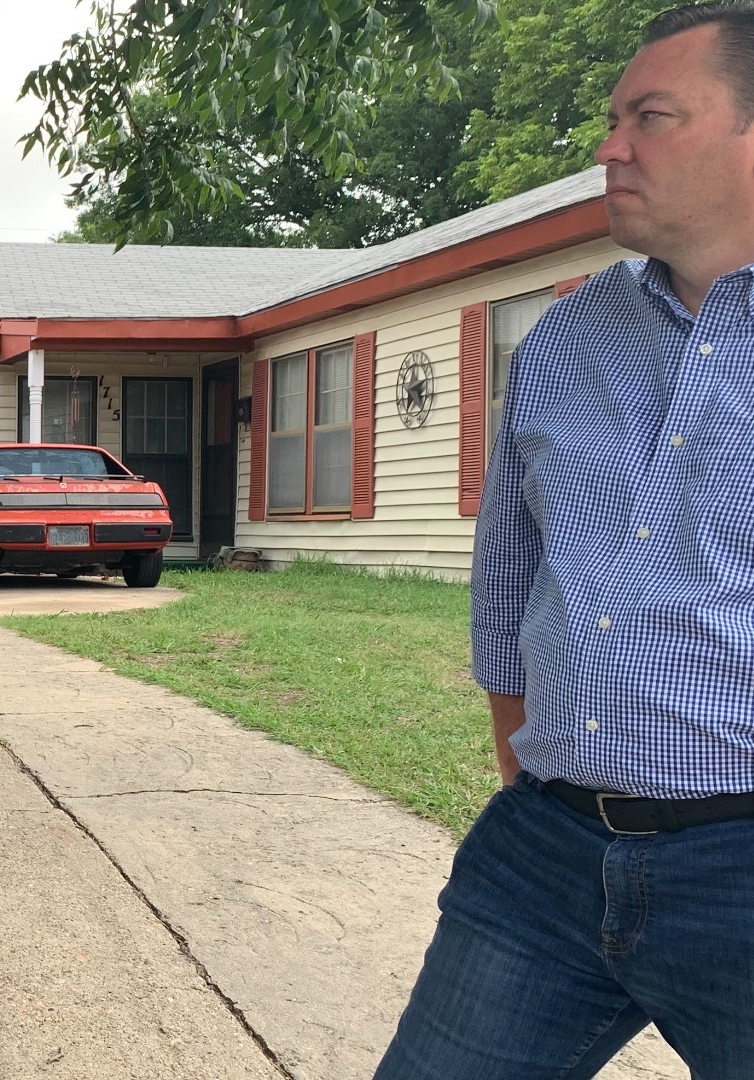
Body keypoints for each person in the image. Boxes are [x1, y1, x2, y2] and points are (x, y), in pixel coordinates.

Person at [375, 4, 754, 1077]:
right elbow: (507, 592)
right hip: (544, 855)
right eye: (611, 117)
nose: (609, 146)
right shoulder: (562, 342)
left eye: (652, 116)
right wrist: (528, 780)